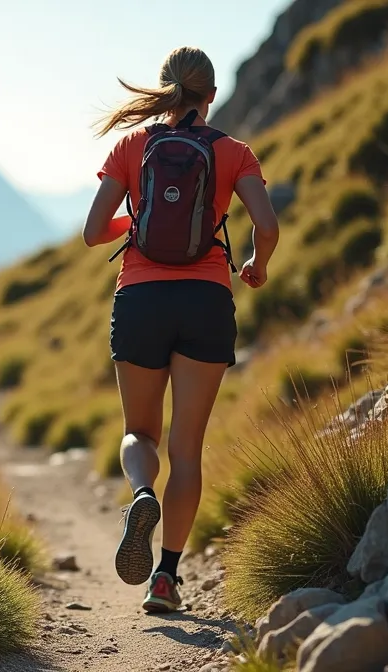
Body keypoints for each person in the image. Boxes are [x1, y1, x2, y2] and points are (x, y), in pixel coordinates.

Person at [80, 46, 280, 614]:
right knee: (186, 448)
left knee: (139, 435)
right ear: (211, 95)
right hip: (206, 299)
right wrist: (257, 266)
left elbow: (95, 232)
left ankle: (141, 495)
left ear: (164, 89)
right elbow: (267, 225)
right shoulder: (233, 152)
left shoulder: (131, 146)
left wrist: (139, 217)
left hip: (140, 298)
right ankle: (165, 578)